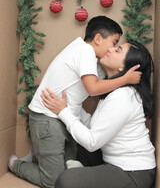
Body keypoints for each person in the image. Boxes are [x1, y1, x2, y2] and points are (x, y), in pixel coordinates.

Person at [8, 16, 141, 188]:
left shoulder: (89, 58)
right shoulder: (84, 51)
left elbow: (102, 81)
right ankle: (17, 165)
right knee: (53, 182)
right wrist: (126, 79)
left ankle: (38, 155)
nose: (114, 49)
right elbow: (93, 88)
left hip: (63, 117)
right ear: (98, 39)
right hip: (47, 118)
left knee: (69, 172)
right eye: (114, 43)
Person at [41, 40, 156, 188]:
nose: (111, 49)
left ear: (123, 66)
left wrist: (63, 111)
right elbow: (95, 126)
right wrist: (68, 106)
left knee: (65, 181)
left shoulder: (124, 97)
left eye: (118, 50)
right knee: (76, 145)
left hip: (132, 173)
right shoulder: (113, 90)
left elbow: (92, 141)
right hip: (111, 162)